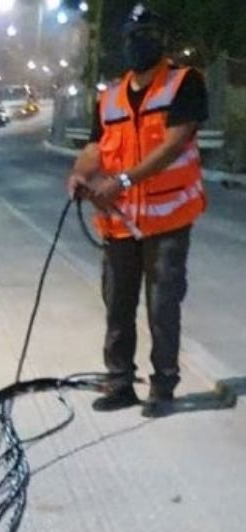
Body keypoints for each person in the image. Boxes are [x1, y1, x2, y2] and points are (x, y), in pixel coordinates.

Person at [67, 4, 208, 418]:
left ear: (161, 40)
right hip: (120, 222)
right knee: (117, 302)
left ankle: (163, 386)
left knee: (162, 304)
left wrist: (122, 181)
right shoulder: (109, 95)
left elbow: (174, 143)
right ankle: (121, 382)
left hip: (168, 218)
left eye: (146, 34)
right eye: (132, 34)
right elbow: (96, 146)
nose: (138, 41)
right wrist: (80, 174)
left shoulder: (184, 83)